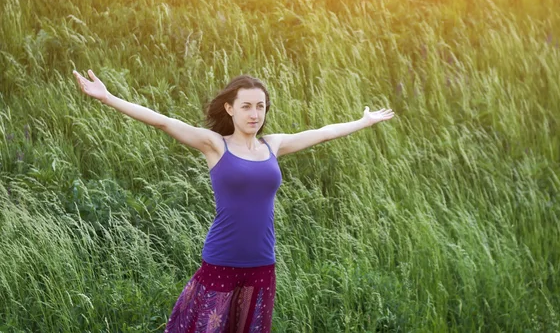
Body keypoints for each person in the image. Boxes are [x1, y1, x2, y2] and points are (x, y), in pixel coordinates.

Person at [72, 69, 394, 332]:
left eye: (260, 106)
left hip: (262, 264)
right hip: (222, 261)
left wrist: (363, 122)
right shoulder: (215, 145)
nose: (255, 114)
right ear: (230, 108)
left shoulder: (273, 145)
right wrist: (108, 98)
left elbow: (323, 132)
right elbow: (163, 121)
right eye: (246, 106)